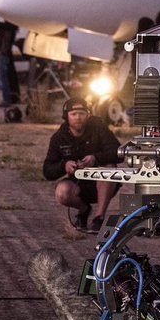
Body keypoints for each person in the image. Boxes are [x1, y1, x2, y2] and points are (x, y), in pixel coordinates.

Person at [42, 98, 121, 233]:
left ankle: (99, 218)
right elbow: (47, 171)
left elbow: (118, 152)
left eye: (82, 113)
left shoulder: (99, 128)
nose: (78, 117)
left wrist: (95, 159)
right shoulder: (59, 138)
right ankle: (83, 210)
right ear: (66, 117)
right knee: (61, 193)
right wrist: (64, 166)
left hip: (103, 182)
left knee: (109, 168)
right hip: (78, 183)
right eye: (73, 114)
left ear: (88, 114)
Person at [0, 13, 20, 105]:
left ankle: (6, 99)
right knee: (3, 77)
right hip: (2, 54)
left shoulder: (9, 26)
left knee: (2, 78)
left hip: (2, 54)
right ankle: (7, 98)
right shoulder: (10, 27)